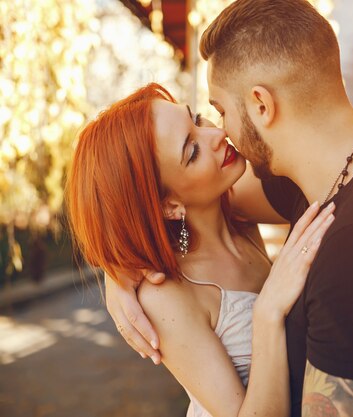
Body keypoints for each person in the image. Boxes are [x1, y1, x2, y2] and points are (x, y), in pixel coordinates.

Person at [106, 0, 353, 415]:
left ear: (261, 104)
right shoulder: (350, 173)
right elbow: (166, 204)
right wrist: (119, 269)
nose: (221, 132)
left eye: (219, 112)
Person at [65, 82, 336, 417]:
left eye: (196, 119)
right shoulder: (166, 294)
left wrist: (114, 271)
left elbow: (331, 172)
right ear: (169, 205)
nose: (216, 135)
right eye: (192, 152)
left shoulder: (238, 210)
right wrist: (268, 313)